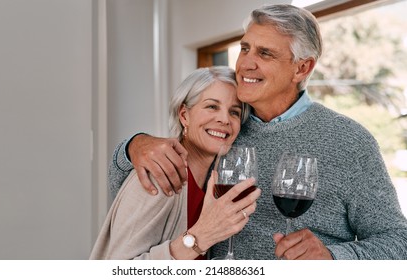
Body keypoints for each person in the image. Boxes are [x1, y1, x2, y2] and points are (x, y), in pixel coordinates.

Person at [108, 4, 407, 259]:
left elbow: (397, 241)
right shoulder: (226, 128)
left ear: (302, 68)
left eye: (265, 53)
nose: (245, 64)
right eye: (245, 48)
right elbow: (126, 190)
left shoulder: (350, 141)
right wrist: (133, 146)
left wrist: (333, 257)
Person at [90, 66, 260, 259]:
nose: (224, 119)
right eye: (212, 106)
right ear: (184, 115)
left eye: (234, 112)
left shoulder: (216, 182)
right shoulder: (160, 174)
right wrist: (200, 238)